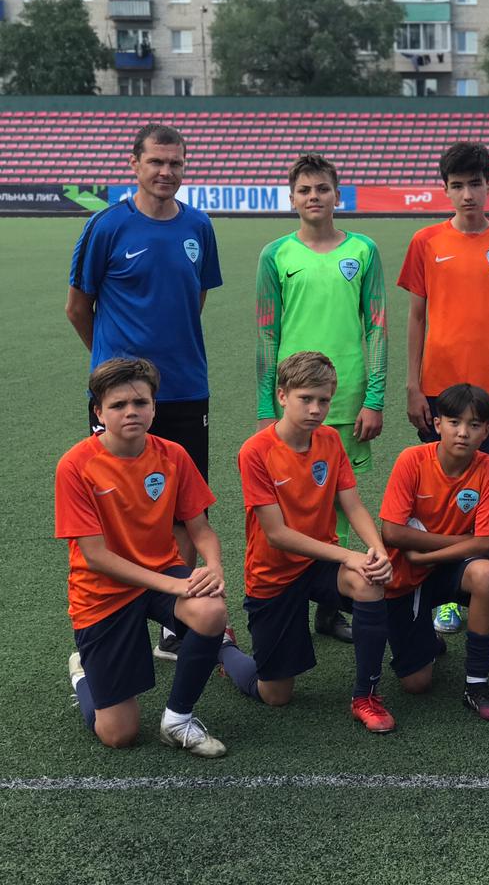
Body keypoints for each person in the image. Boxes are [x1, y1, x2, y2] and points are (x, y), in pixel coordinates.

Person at [66, 122, 222, 662]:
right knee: (117, 511)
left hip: (186, 388)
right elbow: (77, 307)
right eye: (156, 161)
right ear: (134, 164)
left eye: (176, 163)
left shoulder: (198, 226)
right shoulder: (107, 225)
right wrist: (113, 373)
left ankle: (175, 620)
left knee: (184, 510)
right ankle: (116, 615)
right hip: (122, 398)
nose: (166, 172)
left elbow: (194, 299)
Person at [58, 358, 228, 756]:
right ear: (99, 413)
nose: (130, 411)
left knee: (210, 610)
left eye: (140, 402)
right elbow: (96, 556)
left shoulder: (173, 455)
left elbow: (200, 529)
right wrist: (175, 584)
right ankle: (84, 675)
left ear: (154, 408)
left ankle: (178, 720)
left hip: (160, 575)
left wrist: (214, 566)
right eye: (118, 405)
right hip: (102, 593)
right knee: (119, 735)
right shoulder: (75, 466)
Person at [218, 352, 396, 734]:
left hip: (319, 563)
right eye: (306, 399)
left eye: (324, 400)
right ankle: (224, 648)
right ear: (282, 396)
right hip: (274, 574)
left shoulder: (330, 440)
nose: (316, 409)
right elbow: (277, 534)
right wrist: (350, 554)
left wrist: (377, 550)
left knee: (368, 580)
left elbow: (352, 504)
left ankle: (365, 696)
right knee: (275, 695)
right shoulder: (255, 451)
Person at [398, 142, 489, 634]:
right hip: (439, 387)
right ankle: (443, 598)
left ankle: (484, 593)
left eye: (476, 184)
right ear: (446, 189)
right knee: (438, 495)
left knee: (485, 493)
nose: (468, 194)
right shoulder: (426, 241)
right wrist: (413, 384)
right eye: (458, 186)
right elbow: (416, 317)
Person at [256, 153, 388, 645]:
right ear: (292, 198)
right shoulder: (275, 254)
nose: (314, 197)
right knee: (290, 502)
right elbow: (266, 334)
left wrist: (374, 398)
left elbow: (377, 327)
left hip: (346, 396)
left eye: (323, 189)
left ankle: (331, 609)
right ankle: (290, 597)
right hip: (291, 400)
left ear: (338, 194)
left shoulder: (364, 249)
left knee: (339, 501)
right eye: (305, 190)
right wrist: (266, 407)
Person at [379, 383, 489, 722]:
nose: (463, 432)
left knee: (486, 573)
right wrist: (461, 539)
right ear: (438, 425)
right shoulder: (412, 460)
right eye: (454, 422)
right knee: (416, 684)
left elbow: (486, 545)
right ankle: (427, 640)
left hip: (442, 567)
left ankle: (477, 685)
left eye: (474, 424)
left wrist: (425, 553)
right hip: (406, 577)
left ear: (487, 431)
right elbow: (391, 533)